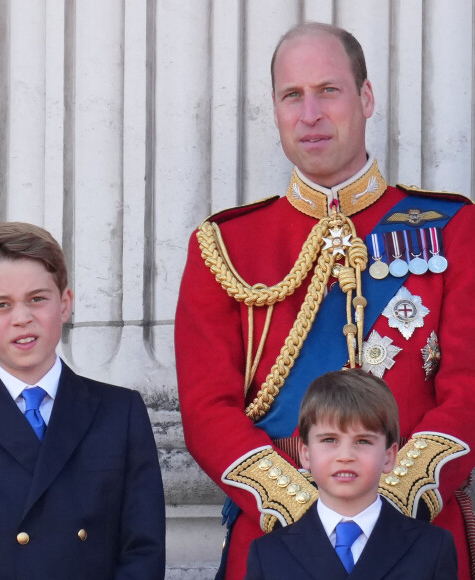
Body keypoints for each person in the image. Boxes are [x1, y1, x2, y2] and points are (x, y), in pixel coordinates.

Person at [175, 21, 475, 580]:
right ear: (276, 107)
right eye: (293, 95)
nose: (309, 113)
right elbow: (205, 408)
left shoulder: (454, 228)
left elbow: (470, 388)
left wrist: (389, 502)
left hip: (418, 542)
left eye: (328, 90)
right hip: (275, 540)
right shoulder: (224, 245)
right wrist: (302, 510)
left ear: (365, 97)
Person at [0, 222, 166, 579]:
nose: (22, 318)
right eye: (1, 305)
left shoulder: (120, 412)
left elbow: (143, 550)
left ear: (64, 304)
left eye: (37, 299)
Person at [244, 369, 458, 579]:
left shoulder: (432, 548)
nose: (345, 456)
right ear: (306, 453)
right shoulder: (268, 554)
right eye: (329, 440)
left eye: (363, 441)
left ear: (389, 456)